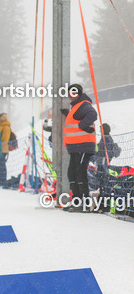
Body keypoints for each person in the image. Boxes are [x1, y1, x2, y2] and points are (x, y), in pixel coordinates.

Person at [62, 83, 98, 211]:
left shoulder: (84, 104)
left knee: (79, 173)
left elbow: (92, 114)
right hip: (76, 146)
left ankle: (84, 203)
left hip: (83, 145)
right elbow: (76, 122)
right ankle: (77, 201)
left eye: (72, 93)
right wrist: (68, 115)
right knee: (72, 173)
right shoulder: (76, 106)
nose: (69, 96)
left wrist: (83, 125)